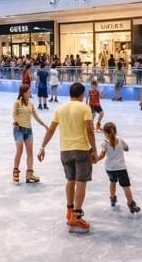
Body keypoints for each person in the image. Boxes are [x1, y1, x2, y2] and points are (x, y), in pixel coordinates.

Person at [37, 82, 98, 233]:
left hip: (65, 150)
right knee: (81, 182)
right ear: (81, 94)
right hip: (81, 149)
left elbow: (51, 129)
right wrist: (94, 150)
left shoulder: (60, 108)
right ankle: (76, 216)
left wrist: (42, 147)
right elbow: (90, 131)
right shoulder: (85, 108)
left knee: (70, 180)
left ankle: (70, 210)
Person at [95, 122, 141, 214]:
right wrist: (123, 147)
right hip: (121, 168)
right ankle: (131, 204)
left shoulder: (104, 143)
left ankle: (112, 198)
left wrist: (95, 160)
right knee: (126, 187)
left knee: (112, 182)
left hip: (110, 168)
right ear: (115, 131)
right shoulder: (120, 140)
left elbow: (102, 155)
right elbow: (127, 148)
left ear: (105, 133)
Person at [12, 84, 48, 184]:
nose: (30, 92)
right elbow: (14, 114)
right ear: (24, 92)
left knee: (30, 152)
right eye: (29, 91)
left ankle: (29, 174)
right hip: (18, 130)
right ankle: (16, 170)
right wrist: (15, 122)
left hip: (28, 131)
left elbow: (36, 117)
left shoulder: (30, 104)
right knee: (19, 150)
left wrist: (44, 125)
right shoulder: (17, 103)